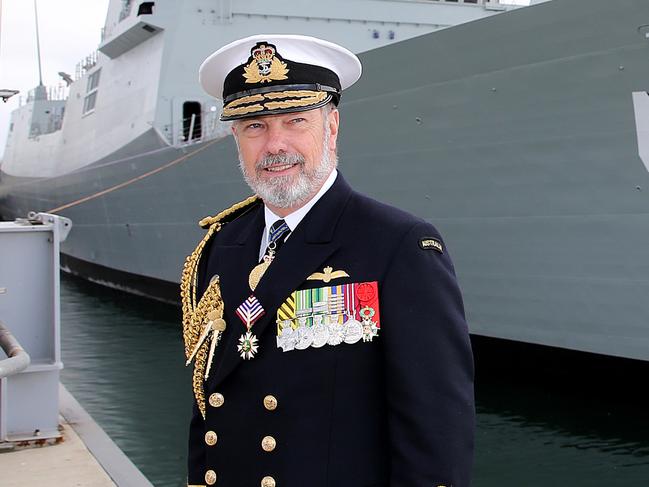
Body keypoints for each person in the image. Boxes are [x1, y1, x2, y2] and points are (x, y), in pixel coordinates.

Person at [181, 34, 475, 487]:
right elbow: (208, 403)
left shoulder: (397, 246)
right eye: (255, 126)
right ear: (236, 136)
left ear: (331, 126)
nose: (275, 145)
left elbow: (436, 430)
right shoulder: (220, 245)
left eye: (295, 121)